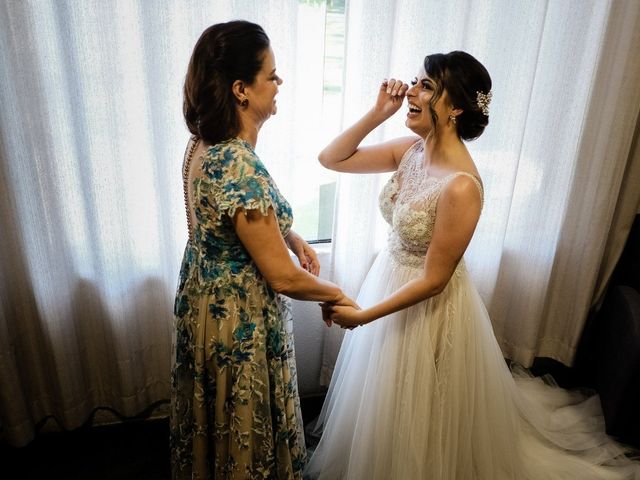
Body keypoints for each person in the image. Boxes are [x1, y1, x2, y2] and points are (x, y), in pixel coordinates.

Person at [305, 51, 640, 479]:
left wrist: (363, 317)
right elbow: (331, 159)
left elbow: (434, 280)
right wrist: (376, 113)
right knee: (383, 402)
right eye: (414, 80)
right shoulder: (411, 150)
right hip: (389, 281)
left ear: (456, 107)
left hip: (425, 308)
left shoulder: (462, 186)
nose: (410, 90)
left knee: (422, 411)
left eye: (426, 85)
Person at [170, 21, 356, 479]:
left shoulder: (206, 143)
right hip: (238, 321)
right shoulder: (236, 161)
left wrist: (290, 237)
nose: (280, 83)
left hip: (204, 305)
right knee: (243, 434)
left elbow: (233, 219)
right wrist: (337, 295)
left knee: (214, 426)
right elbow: (283, 278)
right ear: (241, 90)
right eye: (271, 75)